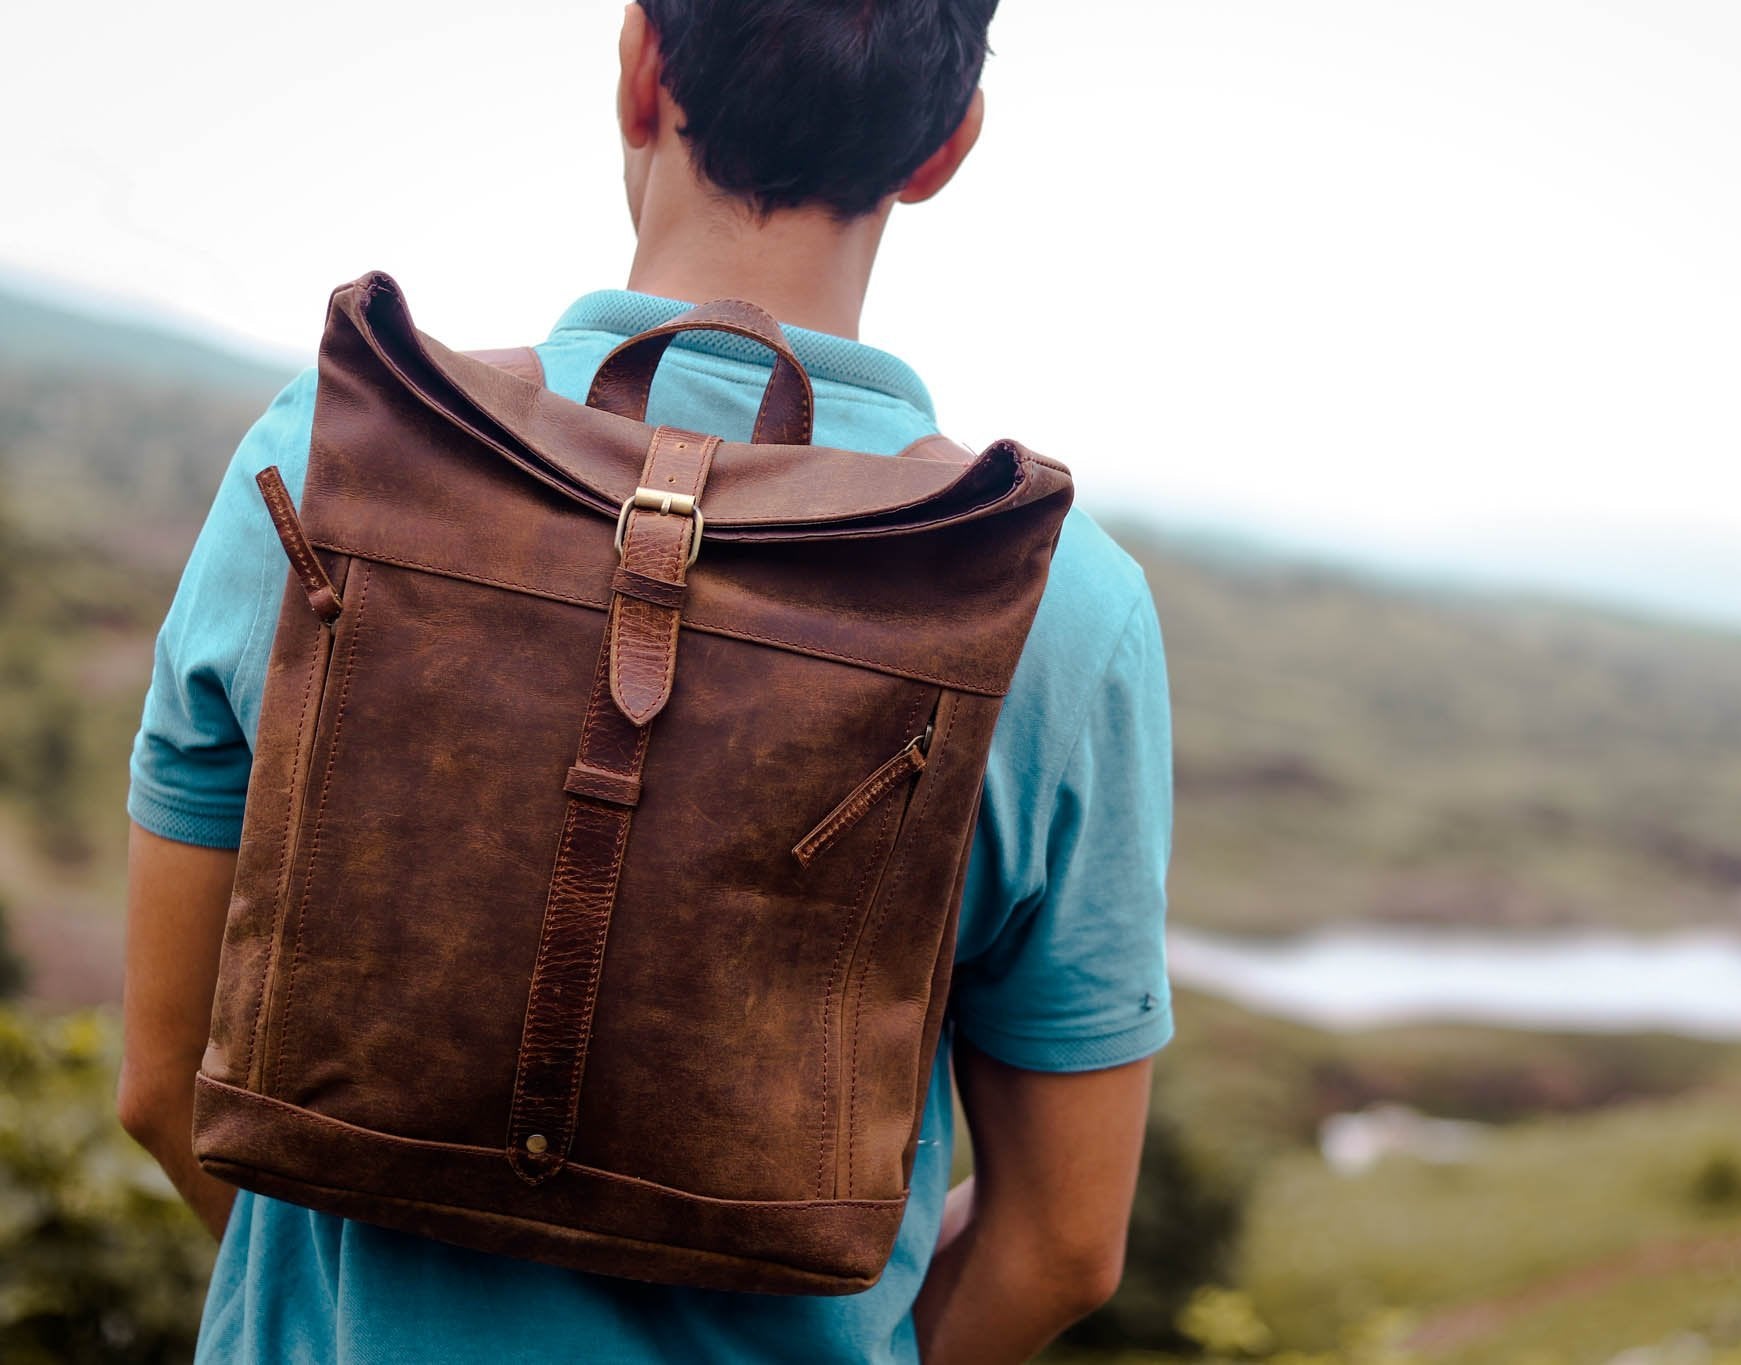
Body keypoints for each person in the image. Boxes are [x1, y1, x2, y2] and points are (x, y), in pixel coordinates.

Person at [116, 3, 1174, 1362]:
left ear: (639, 68)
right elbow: (1063, 1243)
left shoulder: (326, 450)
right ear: (944, 144)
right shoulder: (1055, 602)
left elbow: (164, 1081)